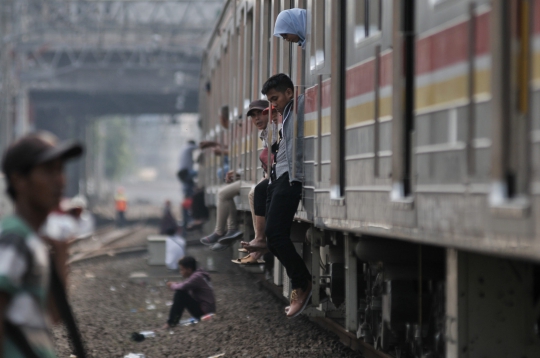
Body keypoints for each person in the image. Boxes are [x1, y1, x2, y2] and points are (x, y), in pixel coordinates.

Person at [0, 131, 83, 357]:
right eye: (48, 171)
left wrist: (61, 254)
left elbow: (54, 315)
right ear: (19, 180)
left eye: (60, 170)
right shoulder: (14, 238)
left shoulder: (33, 240)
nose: (60, 180)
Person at [261, 73, 312, 318]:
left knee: (277, 236)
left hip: (290, 179)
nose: (273, 104)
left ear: (289, 93)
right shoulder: (285, 114)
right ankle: (260, 239)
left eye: (275, 98)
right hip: (278, 177)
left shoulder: (299, 105)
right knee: (272, 236)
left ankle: (301, 284)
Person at [199, 100, 271, 251]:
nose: (257, 119)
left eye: (260, 114)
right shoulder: (263, 134)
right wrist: (239, 173)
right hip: (253, 177)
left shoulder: (271, 133)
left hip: (259, 179)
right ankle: (231, 230)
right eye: (253, 116)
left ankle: (229, 232)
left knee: (232, 192)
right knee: (225, 189)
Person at [163, 256, 215, 329]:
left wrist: (171, 285)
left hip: (205, 312)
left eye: (182, 269)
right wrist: (176, 284)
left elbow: (183, 287)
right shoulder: (198, 275)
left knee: (180, 294)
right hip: (208, 310)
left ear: (189, 269)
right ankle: (173, 321)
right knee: (182, 292)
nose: (180, 272)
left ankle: (171, 323)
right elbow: (185, 285)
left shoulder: (196, 277)